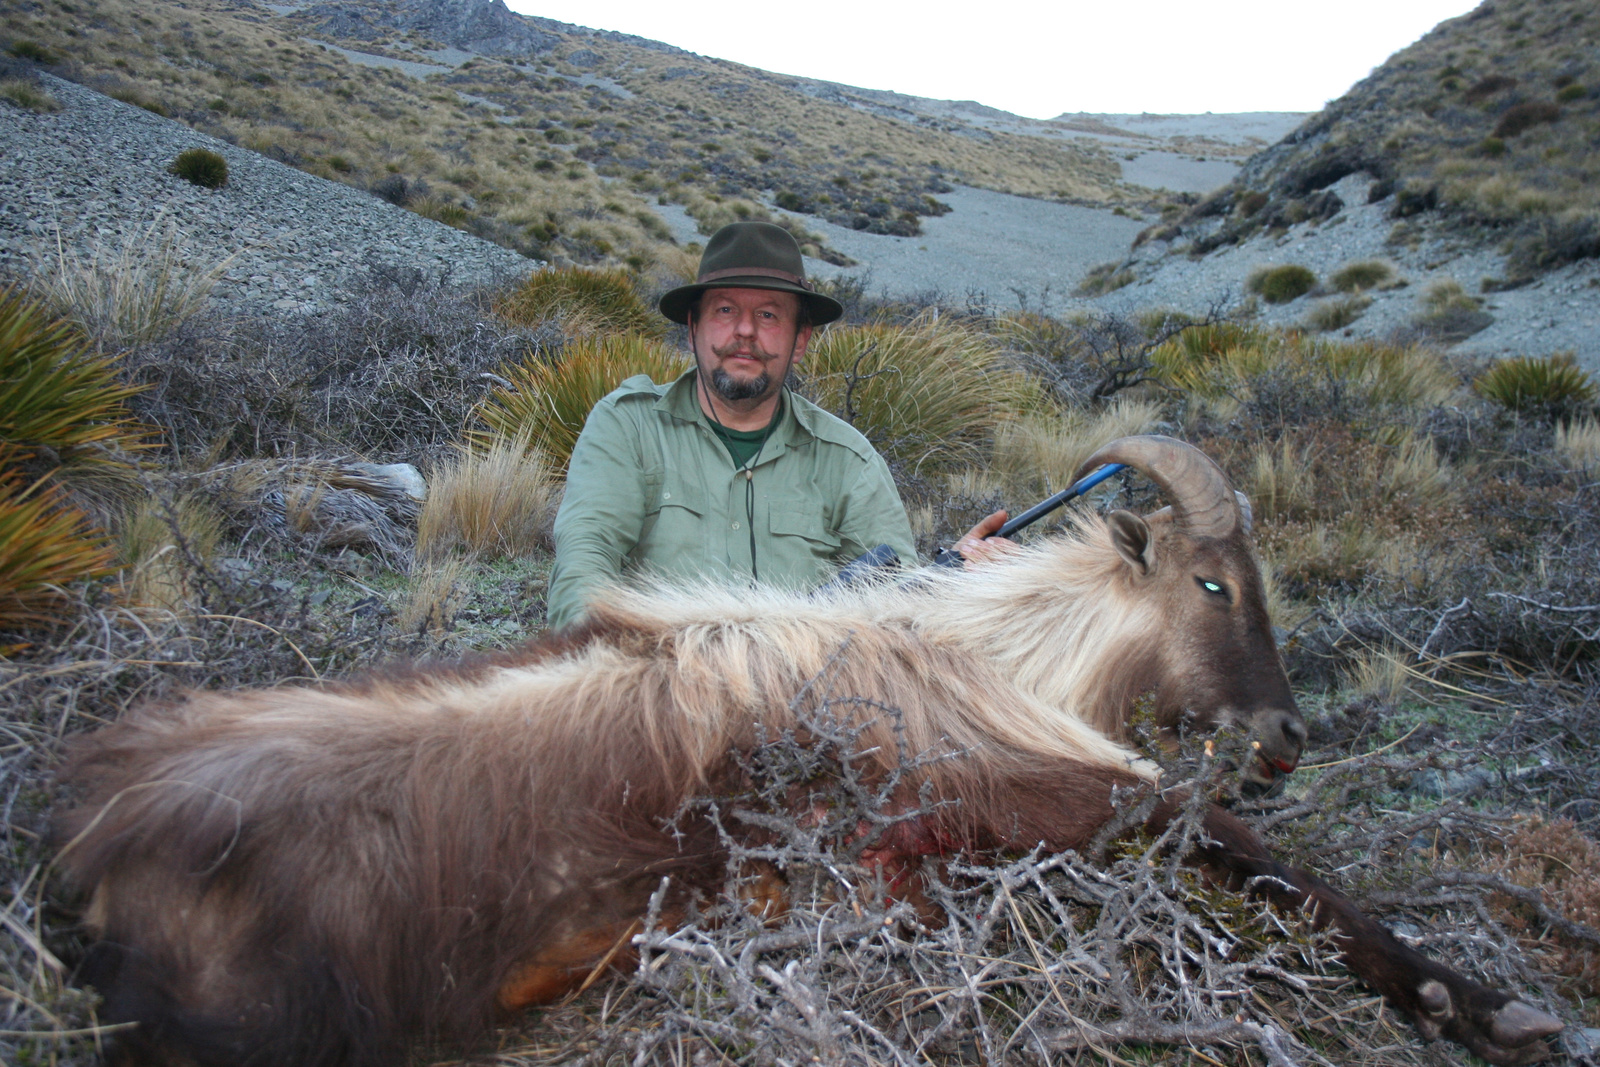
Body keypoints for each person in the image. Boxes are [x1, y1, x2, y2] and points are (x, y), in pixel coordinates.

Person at [545, 221, 1008, 631]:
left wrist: (955, 578)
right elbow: (585, 567)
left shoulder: (848, 460)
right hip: (657, 700)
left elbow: (897, 606)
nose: (745, 331)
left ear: (799, 340)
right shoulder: (628, 426)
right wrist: (602, 676)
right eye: (725, 310)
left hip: (804, 712)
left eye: (768, 315)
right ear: (693, 329)